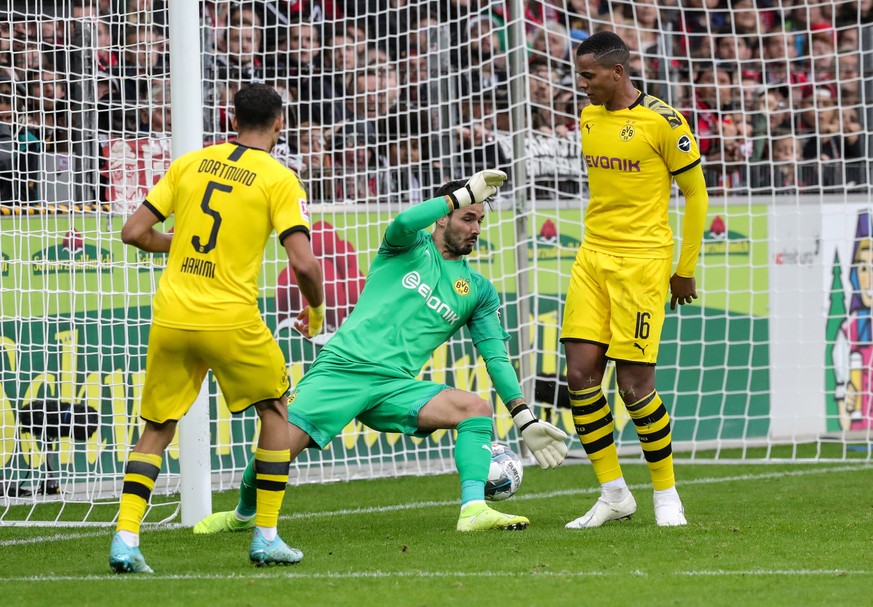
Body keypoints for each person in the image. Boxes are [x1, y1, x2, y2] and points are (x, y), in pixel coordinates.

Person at [193, 170, 569, 543]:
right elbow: (404, 220)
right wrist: (464, 193)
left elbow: (496, 357)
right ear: (443, 216)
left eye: (480, 221)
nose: (475, 228)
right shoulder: (406, 246)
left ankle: (473, 509)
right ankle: (242, 516)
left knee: (475, 409)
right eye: (468, 217)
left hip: (394, 386)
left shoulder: (478, 290)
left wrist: (523, 417)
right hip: (342, 369)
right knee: (275, 450)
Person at [109, 83, 325, 573]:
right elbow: (305, 264)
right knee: (275, 410)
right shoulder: (279, 179)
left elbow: (133, 233)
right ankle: (265, 535)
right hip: (229, 318)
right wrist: (316, 312)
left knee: (157, 429)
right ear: (279, 124)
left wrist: (181, 244)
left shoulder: (190, 163)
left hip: (172, 315)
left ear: (231, 120)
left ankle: (124, 540)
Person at [562, 31, 709, 528]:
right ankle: (613, 493)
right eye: (579, 75)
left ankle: (667, 495)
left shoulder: (663, 122)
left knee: (633, 385)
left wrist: (683, 269)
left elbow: (697, 195)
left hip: (642, 265)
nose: (581, 85)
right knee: (580, 375)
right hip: (592, 258)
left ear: (618, 72)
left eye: (589, 75)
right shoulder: (586, 117)